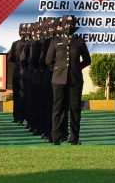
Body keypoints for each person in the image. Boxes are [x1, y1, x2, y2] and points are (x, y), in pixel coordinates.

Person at [45, 15, 91, 146]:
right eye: (67, 25)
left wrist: (76, 68)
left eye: (71, 25)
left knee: (75, 109)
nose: (69, 28)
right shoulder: (56, 41)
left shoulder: (80, 41)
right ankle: (56, 137)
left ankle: (74, 137)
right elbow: (48, 60)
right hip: (58, 80)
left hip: (75, 80)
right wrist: (57, 69)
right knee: (58, 108)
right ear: (63, 26)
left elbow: (87, 60)